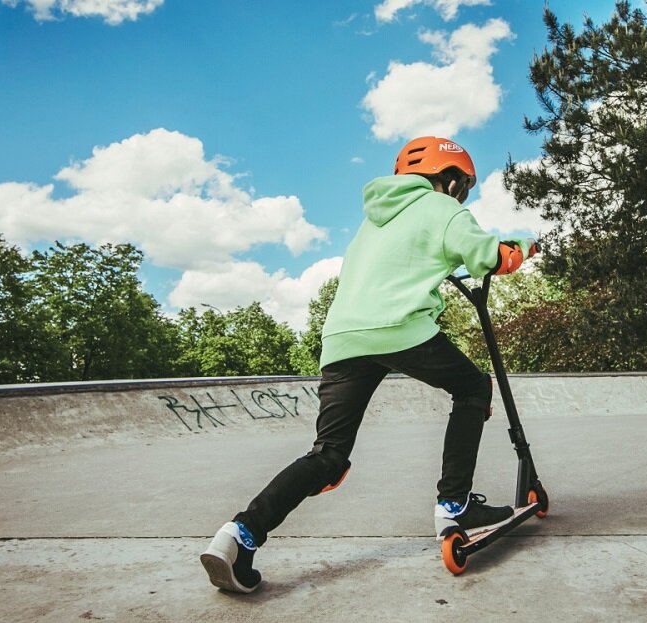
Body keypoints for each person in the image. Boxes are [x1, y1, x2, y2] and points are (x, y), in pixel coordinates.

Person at [200, 136, 538, 593]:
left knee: (328, 456)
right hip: (399, 328)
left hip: (342, 339)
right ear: (450, 178)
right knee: (474, 389)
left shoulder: (371, 222)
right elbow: (488, 257)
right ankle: (454, 506)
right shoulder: (442, 209)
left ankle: (239, 534)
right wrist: (521, 247)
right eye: (463, 186)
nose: (462, 195)